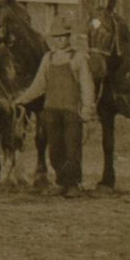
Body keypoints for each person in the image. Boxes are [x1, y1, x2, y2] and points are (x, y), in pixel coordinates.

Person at [15, 20, 96, 197]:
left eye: (63, 37)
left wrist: (87, 109)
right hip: (51, 111)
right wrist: (22, 99)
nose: (59, 40)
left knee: (72, 149)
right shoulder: (48, 58)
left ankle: (73, 185)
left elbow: (87, 86)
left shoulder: (78, 58)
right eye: (56, 37)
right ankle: (61, 182)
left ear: (69, 37)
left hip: (72, 112)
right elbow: (39, 85)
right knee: (55, 150)